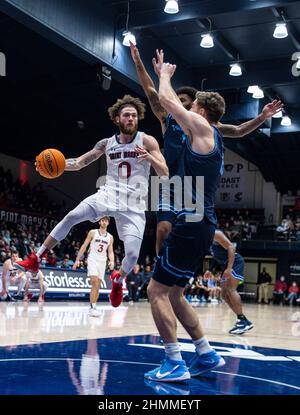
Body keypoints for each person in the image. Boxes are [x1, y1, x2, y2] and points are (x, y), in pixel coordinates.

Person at [16, 95, 169, 309]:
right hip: (108, 194)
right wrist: (57, 167)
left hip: (134, 204)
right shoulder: (106, 143)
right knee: (72, 216)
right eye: (127, 115)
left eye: (134, 115)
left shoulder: (147, 141)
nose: (131, 119)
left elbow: (165, 173)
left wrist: (150, 158)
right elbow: (79, 163)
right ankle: (36, 257)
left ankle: (117, 279)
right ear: (117, 118)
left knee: (133, 256)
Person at [130, 42, 283, 254]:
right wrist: (138, 61)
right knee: (163, 229)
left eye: (185, 101)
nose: (181, 104)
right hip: (170, 182)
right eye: (179, 100)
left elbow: (238, 131)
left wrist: (262, 117)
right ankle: (160, 268)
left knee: (190, 240)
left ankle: (181, 279)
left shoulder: (206, 127)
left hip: (195, 188)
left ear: (195, 106)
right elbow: (149, 90)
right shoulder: (168, 117)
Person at [144, 53, 226, 383]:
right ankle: (206, 353)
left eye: (192, 107)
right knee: (175, 293)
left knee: (156, 291)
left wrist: (163, 74)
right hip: (201, 224)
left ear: (202, 112)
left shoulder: (203, 126)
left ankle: (174, 362)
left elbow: (164, 100)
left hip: (192, 224)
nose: (187, 110)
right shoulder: (210, 139)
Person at [206, 230, 253, 334]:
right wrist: (210, 270)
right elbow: (216, 256)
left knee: (231, 290)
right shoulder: (206, 237)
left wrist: (229, 268)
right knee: (224, 294)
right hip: (225, 265)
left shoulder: (216, 233)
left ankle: (241, 320)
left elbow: (231, 247)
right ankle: (243, 320)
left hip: (234, 263)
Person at [73, 216, 114, 316]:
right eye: (102, 221)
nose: (104, 223)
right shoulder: (93, 232)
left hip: (102, 261)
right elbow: (84, 246)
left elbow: (110, 251)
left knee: (98, 285)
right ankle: (92, 307)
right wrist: (77, 260)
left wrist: (112, 261)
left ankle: (94, 306)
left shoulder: (110, 237)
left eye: (106, 221)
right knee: (94, 282)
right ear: (99, 222)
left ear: (108, 223)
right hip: (92, 259)